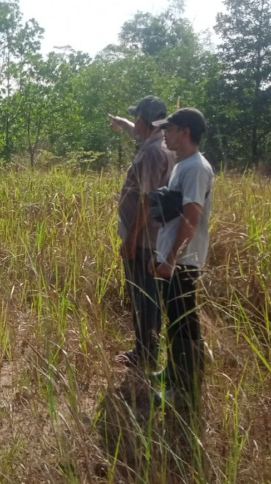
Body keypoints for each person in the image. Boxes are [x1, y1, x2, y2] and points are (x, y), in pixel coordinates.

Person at [150, 108, 214, 410]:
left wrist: (171, 259)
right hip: (174, 258)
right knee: (175, 322)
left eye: (170, 128)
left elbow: (191, 216)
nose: (165, 133)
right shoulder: (182, 164)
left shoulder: (196, 168)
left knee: (182, 324)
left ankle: (184, 389)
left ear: (185, 131)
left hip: (184, 261)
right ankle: (174, 373)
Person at [109, 96, 175, 371]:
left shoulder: (150, 153)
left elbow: (147, 199)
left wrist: (131, 238)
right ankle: (147, 348)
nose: (132, 123)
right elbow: (139, 133)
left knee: (143, 295)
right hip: (156, 235)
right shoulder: (163, 144)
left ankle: (145, 353)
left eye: (134, 119)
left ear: (142, 121)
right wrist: (124, 124)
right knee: (149, 295)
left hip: (144, 237)